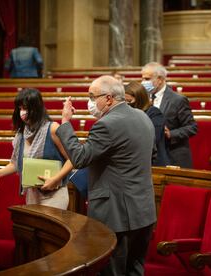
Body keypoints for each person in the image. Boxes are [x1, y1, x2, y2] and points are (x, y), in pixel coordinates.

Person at [56, 75, 157, 275]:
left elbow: (79, 158)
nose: (90, 102)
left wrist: (66, 123)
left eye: (93, 97)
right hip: (143, 210)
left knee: (112, 272)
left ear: (109, 98)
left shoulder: (107, 124)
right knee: (135, 269)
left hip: (117, 214)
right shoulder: (142, 116)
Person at [0, 88, 73, 210]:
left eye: (25, 108)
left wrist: (55, 179)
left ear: (36, 108)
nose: (22, 112)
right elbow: (15, 164)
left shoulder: (52, 129)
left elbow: (72, 159)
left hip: (55, 194)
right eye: (20, 108)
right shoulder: (21, 133)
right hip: (32, 193)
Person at [141, 62, 197, 168]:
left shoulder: (177, 100)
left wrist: (170, 134)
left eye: (147, 79)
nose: (143, 82)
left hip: (173, 154)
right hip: (150, 156)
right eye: (142, 78)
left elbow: (192, 127)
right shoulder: (144, 98)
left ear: (160, 79)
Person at [125, 81, 170, 166]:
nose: (127, 105)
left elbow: (152, 139)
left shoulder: (154, 113)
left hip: (153, 163)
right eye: (124, 102)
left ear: (140, 99)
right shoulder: (125, 113)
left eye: (129, 101)